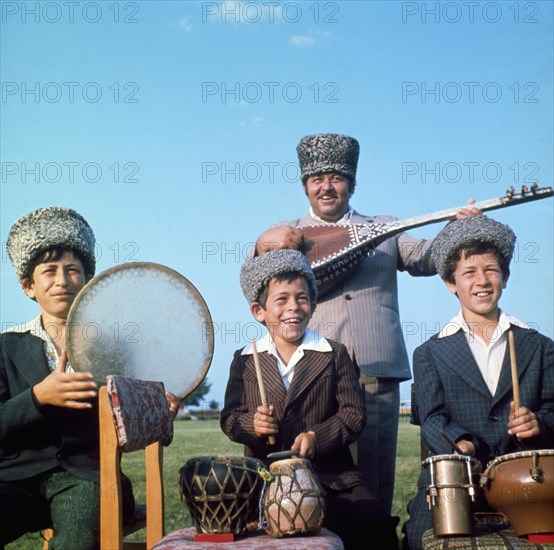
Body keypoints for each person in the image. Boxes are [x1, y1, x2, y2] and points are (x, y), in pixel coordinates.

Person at [252, 133, 479, 514]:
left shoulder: (384, 227)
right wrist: (261, 244)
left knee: (375, 475)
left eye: (336, 178)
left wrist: (456, 227)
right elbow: (256, 276)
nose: (327, 186)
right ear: (305, 186)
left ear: (351, 184)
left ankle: (374, 535)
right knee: (318, 467)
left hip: (377, 366)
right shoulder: (285, 233)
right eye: (317, 178)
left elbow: (425, 258)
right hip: (316, 370)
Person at [0, 206, 180, 549]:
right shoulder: (6, 346)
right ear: (28, 286)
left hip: (89, 478)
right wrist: (38, 396)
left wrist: (158, 415)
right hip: (15, 479)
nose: (62, 280)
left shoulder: (111, 350)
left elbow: (133, 421)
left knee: (79, 533)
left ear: (88, 281)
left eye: (73, 270)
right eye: (49, 271)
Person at [220, 248, 399, 549]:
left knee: (375, 525)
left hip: (332, 477)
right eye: (282, 299)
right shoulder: (245, 360)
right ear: (258, 311)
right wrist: (252, 425)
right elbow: (230, 418)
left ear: (313, 305)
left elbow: (353, 415)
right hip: (264, 479)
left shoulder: (334, 353)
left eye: (302, 298)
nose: (294, 307)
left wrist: (318, 436)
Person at [402, 214, 554, 550]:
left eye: (491, 270)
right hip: (455, 482)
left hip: (527, 482)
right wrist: (460, 441)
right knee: (417, 538)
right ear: (450, 283)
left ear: (505, 277)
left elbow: (552, 409)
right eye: (469, 273)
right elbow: (431, 418)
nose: (482, 281)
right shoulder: (430, 352)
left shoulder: (540, 346)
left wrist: (538, 423)